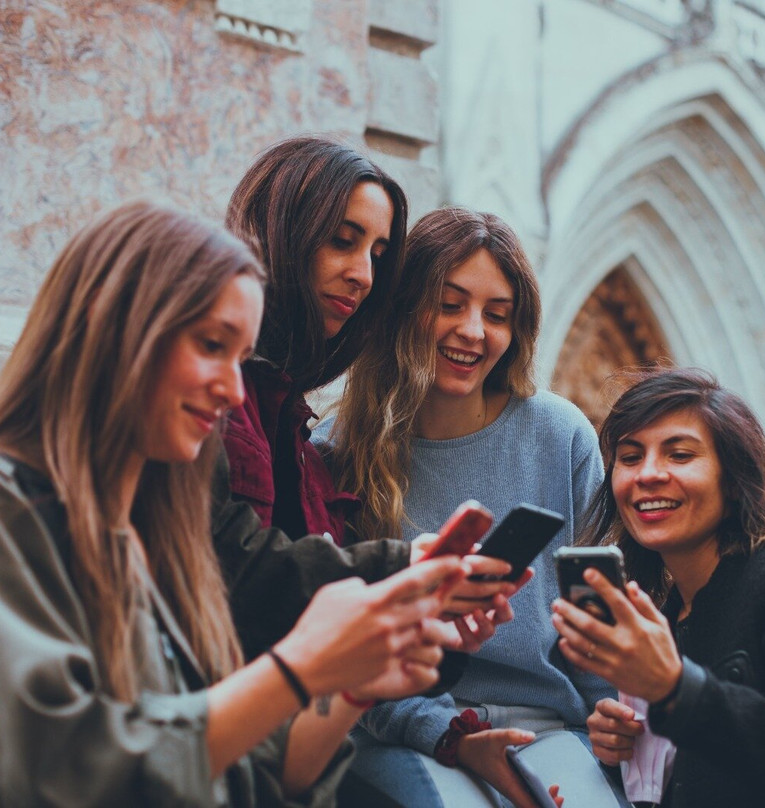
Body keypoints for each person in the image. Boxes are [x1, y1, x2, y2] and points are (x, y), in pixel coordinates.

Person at [0, 199, 468, 806]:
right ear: (111, 323)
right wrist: (300, 664)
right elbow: (65, 772)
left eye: (241, 358)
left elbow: (245, 772)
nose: (230, 388)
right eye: (212, 345)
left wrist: (348, 686)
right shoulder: (17, 515)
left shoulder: (147, 539)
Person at [321, 207, 627, 808]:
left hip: (552, 727)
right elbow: (351, 646)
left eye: (497, 314)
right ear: (405, 307)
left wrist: (614, 731)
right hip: (408, 728)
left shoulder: (559, 434)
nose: (473, 331)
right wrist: (449, 734)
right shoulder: (336, 448)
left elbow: (597, 614)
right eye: (450, 303)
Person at [213, 137, 512, 660]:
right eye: (341, 241)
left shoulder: (297, 431)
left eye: (377, 255)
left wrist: (420, 621)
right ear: (280, 233)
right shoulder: (219, 392)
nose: (364, 275)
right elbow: (239, 572)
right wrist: (400, 569)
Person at [551, 368, 765, 808]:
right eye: (629, 458)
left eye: (680, 455)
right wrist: (624, 752)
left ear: (733, 478)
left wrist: (674, 690)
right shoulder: (666, 618)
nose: (647, 474)